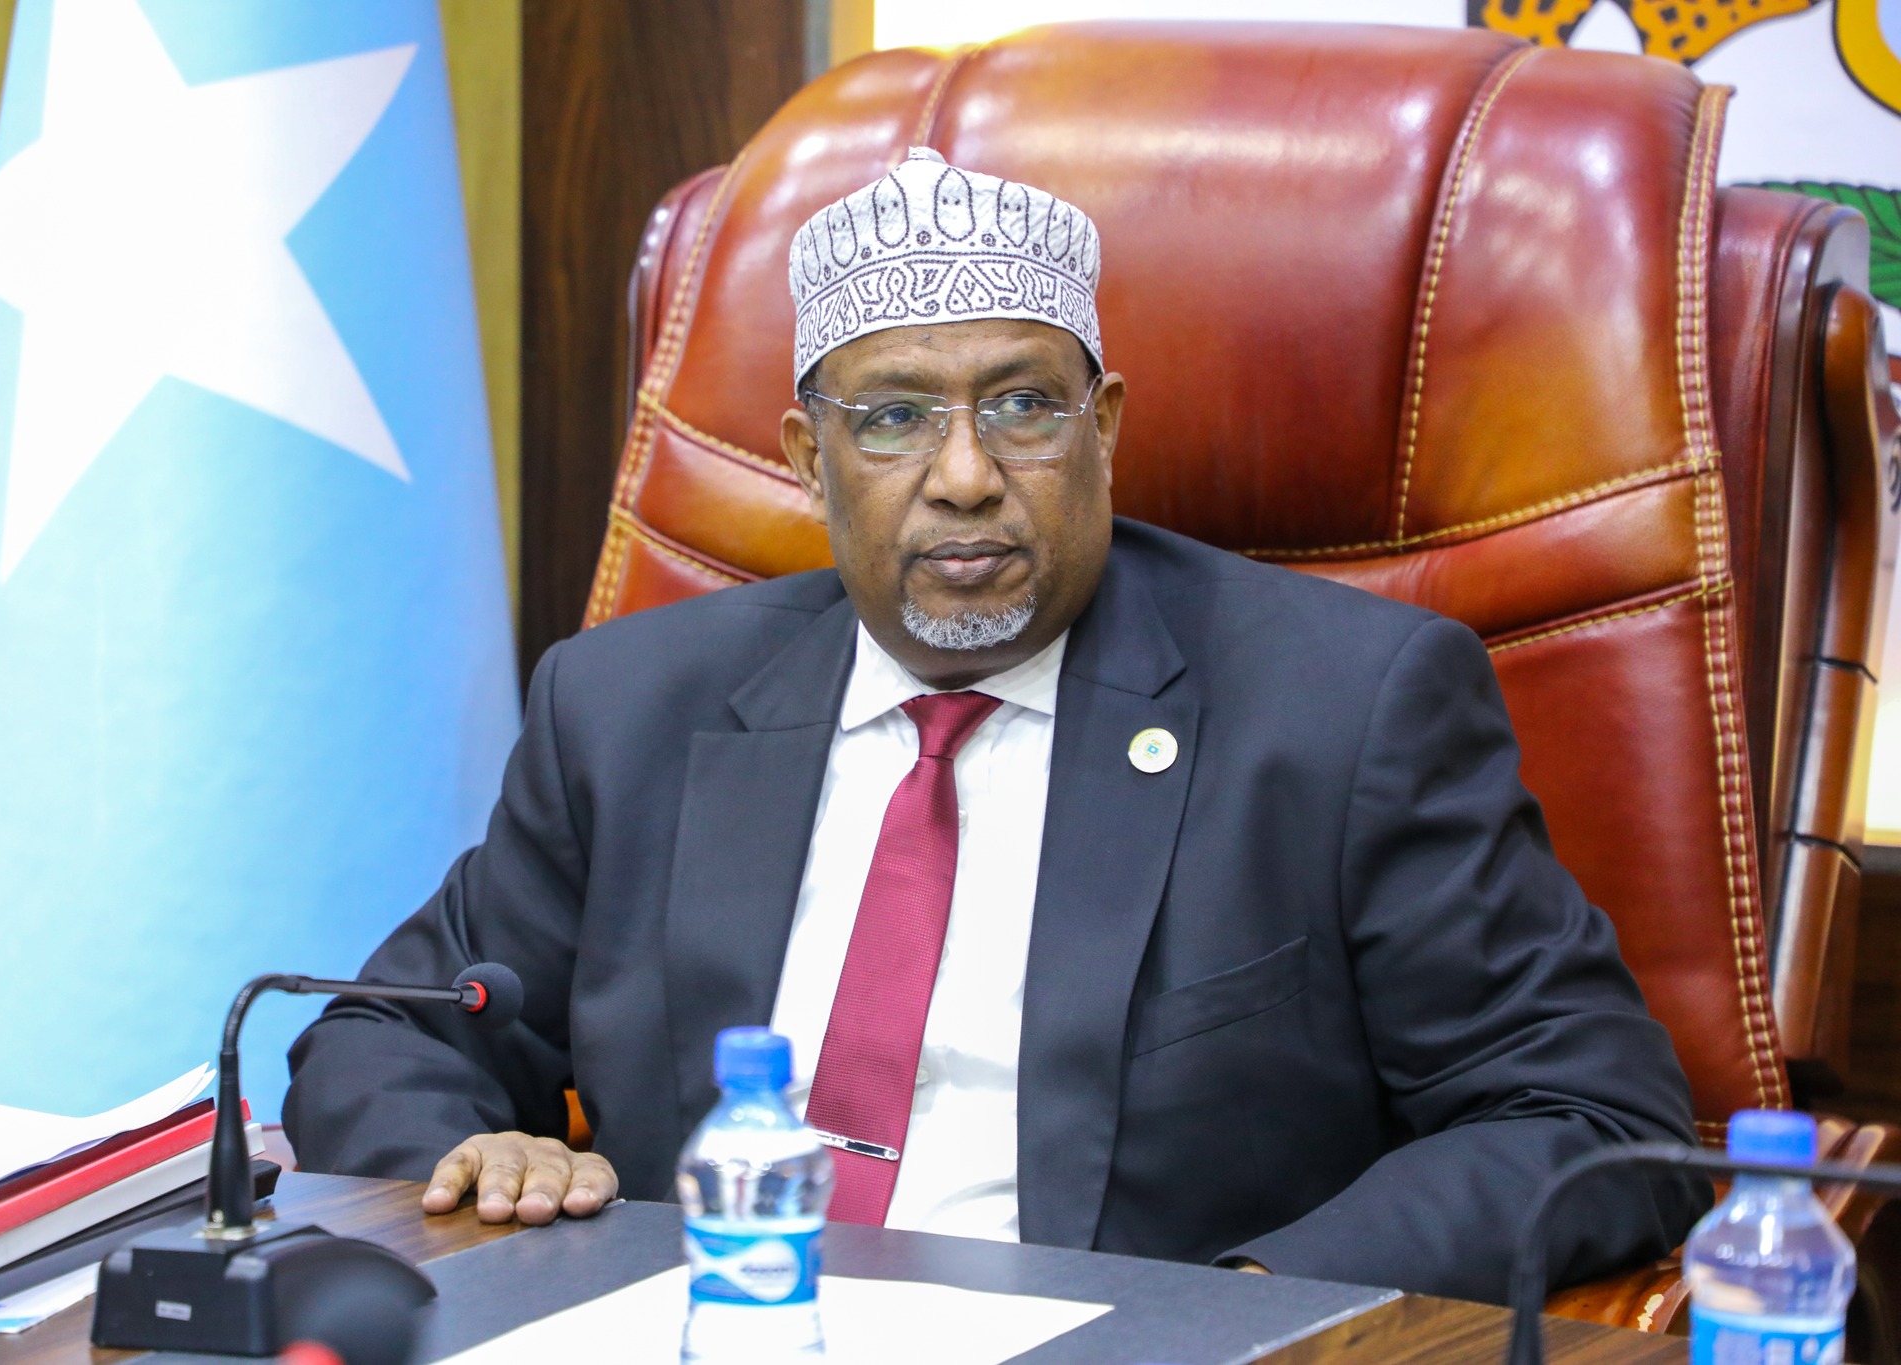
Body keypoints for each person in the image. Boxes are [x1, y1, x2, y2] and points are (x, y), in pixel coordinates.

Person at [283, 148, 1707, 1303]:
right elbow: (382, 1036)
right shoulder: (628, 707)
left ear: (1106, 427)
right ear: (807, 459)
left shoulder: (1344, 709)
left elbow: (1590, 1114)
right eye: (894, 418)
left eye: (1024, 405)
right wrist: (486, 1153)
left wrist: (1252, 1306)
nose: (966, 475)